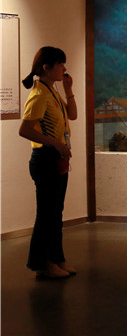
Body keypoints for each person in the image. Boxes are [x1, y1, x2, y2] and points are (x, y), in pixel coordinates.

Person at [18, 47, 78, 279]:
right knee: (46, 214)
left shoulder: (51, 91)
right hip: (45, 159)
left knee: (55, 213)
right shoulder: (39, 95)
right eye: (60, 64)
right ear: (47, 67)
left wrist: (69, 90)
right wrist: (56, 143)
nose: (64, 68)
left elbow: (72, 115)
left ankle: (57, 258)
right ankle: (42, 264)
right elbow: (24, 130)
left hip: (56, 157)